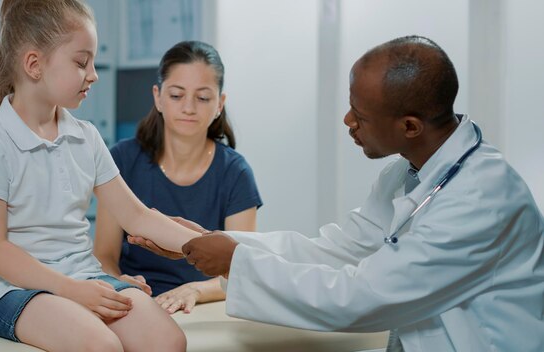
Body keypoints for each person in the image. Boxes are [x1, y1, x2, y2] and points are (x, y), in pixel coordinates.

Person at [134, 35, 544, 351]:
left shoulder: (480, 199)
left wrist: (234, 261)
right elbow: (336, 249)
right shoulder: (406, 174)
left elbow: (363, 296)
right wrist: (219, 244)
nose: (347, 120)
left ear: (410, 126)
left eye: (360, 115)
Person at [0, 1, 200, 351]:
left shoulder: (86, 137)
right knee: (100, 346)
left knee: (168, 340)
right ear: (34, 64)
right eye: (80, 62)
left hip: (84, 275)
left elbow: (135, 215)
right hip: (14, 289)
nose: (93, 74)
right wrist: (71, 290)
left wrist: (207, 244)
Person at [94, 40, 262, 314]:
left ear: (220, 103)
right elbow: (104, 255)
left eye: (203, 97)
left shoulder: (236, 173)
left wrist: (193, 290)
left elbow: (240, 266)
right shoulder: (122, 160)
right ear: (158, 96)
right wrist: (120, 284)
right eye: (176, 95)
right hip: (134, 301)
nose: (188, 107)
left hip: (203, 305)